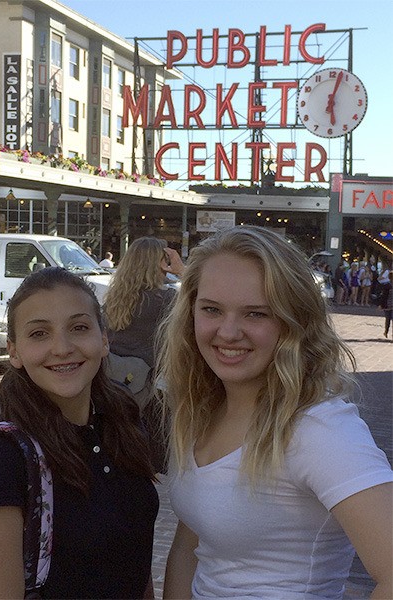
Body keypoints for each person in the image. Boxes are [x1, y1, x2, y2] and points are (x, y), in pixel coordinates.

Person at [156, 226, 393, 600]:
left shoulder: (319, 429)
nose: (228, 332)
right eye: (212, 309)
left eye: (256, 313)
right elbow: (191, 546)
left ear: (293, 321)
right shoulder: (203, 408)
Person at [0, 267, 159, 599]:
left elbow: (136, 560)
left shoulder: (123, 424)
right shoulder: (4, 456)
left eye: (79, 327)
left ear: (103, 339)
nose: (62, 347)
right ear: (14, 351)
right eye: (39, 334)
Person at [104, 237, 184, 369]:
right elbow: (206, 302)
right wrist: (182, 271)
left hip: (114, 374)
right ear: (159, 264)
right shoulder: (165, 299)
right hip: (147, 379)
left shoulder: (115, 297)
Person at [379, 270, 393, 340]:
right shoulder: (387, 286)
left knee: (388, 320)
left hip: (387, 305)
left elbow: (383, 296)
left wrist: (381, 305)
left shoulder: (386, 285)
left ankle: (386, 331)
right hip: (388, 305)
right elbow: (384, 296)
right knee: (388, 320)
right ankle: (386, 331)